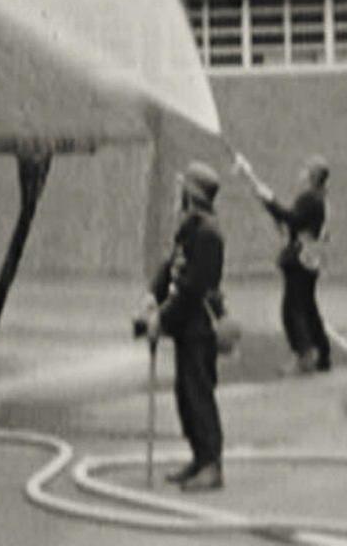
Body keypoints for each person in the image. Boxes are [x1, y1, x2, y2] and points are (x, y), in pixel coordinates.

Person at [145, 161, 227, 491]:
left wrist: (161, 319)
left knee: (198, 394)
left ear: (191, 193)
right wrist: (152, 294)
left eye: (183, 188)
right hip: (186, 326)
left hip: (199, 326)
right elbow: (172, 265)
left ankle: (212, 465)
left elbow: (193, 288)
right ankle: (198, 456)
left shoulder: (208, 233)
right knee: (185, 394)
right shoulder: (191, 227)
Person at [234, 152, 332, 373]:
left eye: (306, 169)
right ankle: (322, 354)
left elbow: (291, 219)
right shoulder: (320, 198)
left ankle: (304, 355)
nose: (302, 172)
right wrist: (268, 201)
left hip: (300, 260)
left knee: (292, 310)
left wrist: (269, 201)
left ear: (313, 175)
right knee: (308, 308)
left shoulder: (309, 198)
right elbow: (294, 221)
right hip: (310, 259)